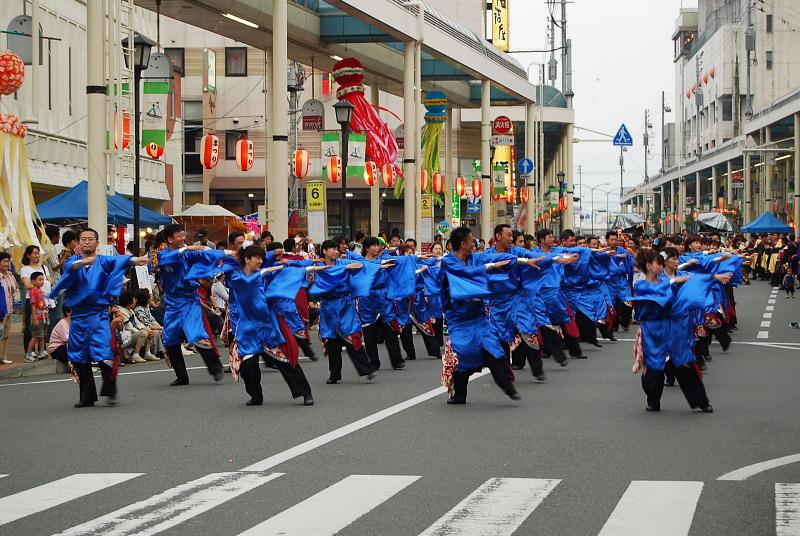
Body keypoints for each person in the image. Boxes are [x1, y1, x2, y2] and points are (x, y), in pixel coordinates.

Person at [50, 228, 149, 407]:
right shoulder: (72, 260)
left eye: (91, 239)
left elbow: (121, 260)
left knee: (105, 353)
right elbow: (70, 268)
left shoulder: (103, 261)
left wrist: (137, 259)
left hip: (99, 315)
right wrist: (85, 261)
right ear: (78, 243)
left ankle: (110, 391)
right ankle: (87, 397)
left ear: (97, 242)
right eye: (83, 239)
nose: (87, 242)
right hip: (78, 317)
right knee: (79, 356)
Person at [630, 248, 730, 413]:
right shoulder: (642, 285)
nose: (661, 266)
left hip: (673, 328)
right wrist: (674, 282)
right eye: (658, 263)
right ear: (649, 266)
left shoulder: (668, 280)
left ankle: (701, 401)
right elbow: (654, 292)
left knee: (684, 364)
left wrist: (714, 278)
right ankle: (653, 400)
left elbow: (692, 282)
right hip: (653, 330)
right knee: (654, 366)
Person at [439, 227, 522, 404]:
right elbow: (466, 274)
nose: (475, 243)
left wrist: (522, 260)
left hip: (478, 317)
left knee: (493, 349)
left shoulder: (476, 259)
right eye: (471, 240)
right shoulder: (449, 262)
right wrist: (491, 267)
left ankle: (508, 387)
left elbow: (495, 258)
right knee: (466, 355)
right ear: (463, 244)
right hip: (459, 319)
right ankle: (459, 394)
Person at [227, 245, 316, 406]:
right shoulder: (237, 278)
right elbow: (247, 283)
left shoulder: (266, 274)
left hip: (268, 324)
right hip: (248, 327)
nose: (260, 261)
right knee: (248, 367)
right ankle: (256, 396)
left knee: (285, 360)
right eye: (257, 258)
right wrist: (265, 270)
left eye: (262, 258)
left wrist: (308, 269)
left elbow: (286, 274)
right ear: (247, 259)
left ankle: (305, 392)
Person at [155, 223, 230, 386]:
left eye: (184, 235)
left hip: (190, 300)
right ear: (170, 239)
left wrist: (228, 253)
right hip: (172, 302)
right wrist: (188, 248)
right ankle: (182, 376)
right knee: (170, 338)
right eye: (180, 235)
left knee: (196, 333)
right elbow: (169, 259)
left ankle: (215, 367)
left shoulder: (188, 254)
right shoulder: (164, 254)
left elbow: (205, 255)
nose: (183, 238)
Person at [309, 239, 377, 384]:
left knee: (353, 337)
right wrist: (345, 269)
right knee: (332, 341)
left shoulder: (343, 262)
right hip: (329, 307)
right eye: (332, 249)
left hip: (345, 305)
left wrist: (379, 264)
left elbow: (364, 264)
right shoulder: (319, 267)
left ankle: (367, 369)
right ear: (324, 251)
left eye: (336, 249)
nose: (335, 252)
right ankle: (334, 374)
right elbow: (323, 279)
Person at [20, 245, 55, 353]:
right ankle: (29, 351)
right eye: (35, 253)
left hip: (44, 301)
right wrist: (43, 283)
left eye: (38, 253)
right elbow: (28, 285)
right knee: (31, 326)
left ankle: (42, 350)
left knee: (43, 326)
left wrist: (39, 283)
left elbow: (51, 281)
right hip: (32, 300)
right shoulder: (25, 269)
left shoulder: (44, 268)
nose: (37, 255)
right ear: (28, 255)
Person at [25, 272, 50, 362]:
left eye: (43, 279)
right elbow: (32, 305)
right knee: (35, 336)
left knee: (42, 335)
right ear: (33, 281)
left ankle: (42, 352)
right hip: (38, 317)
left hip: (43, 316)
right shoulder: (33, 292)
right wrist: (35, 318)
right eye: (40, 280)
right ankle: (28, 354)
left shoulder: (40, 291)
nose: (42, 281)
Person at [0, 252, 17, 364]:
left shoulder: (10, 275)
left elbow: (14, 289)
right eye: (4, 261)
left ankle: (2, 356)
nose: (6, 264)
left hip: (9, 309)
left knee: (6, 334)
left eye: (8, 261)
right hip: (1, 310)